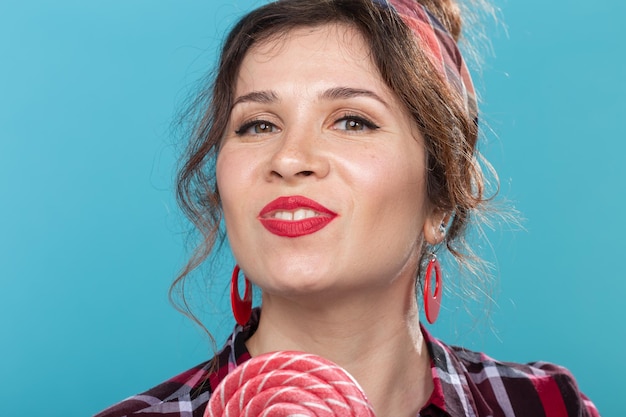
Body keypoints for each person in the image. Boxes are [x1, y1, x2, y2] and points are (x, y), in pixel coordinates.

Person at [95, 0, 600, 416]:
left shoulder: (547, 405)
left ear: (440, 196)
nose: (289, 159)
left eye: (353, 121)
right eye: (258, 125)